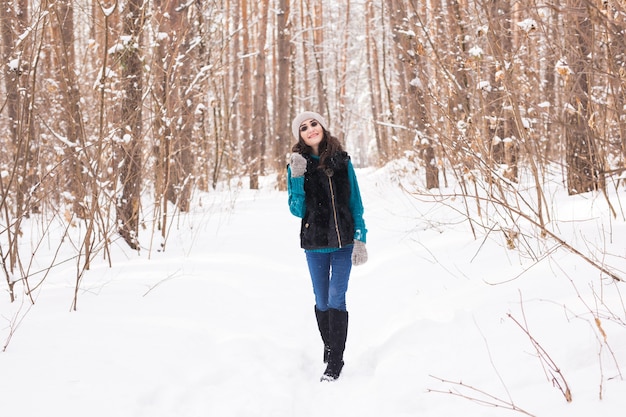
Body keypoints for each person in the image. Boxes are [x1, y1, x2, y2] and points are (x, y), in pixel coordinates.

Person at [287, 110, 368, 382]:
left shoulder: (342, 161)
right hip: (315, 244)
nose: (310, 129)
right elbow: (296, 210)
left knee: (336, 297)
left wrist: (360, 238)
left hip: (344, 242)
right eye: (303, 127)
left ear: (322, 126)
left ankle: (335, 360)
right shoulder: (297, 164)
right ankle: (330, 344)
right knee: (321, 301)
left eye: (314, 123)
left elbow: (356, 201)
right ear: (299, 135)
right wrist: (297, 178)